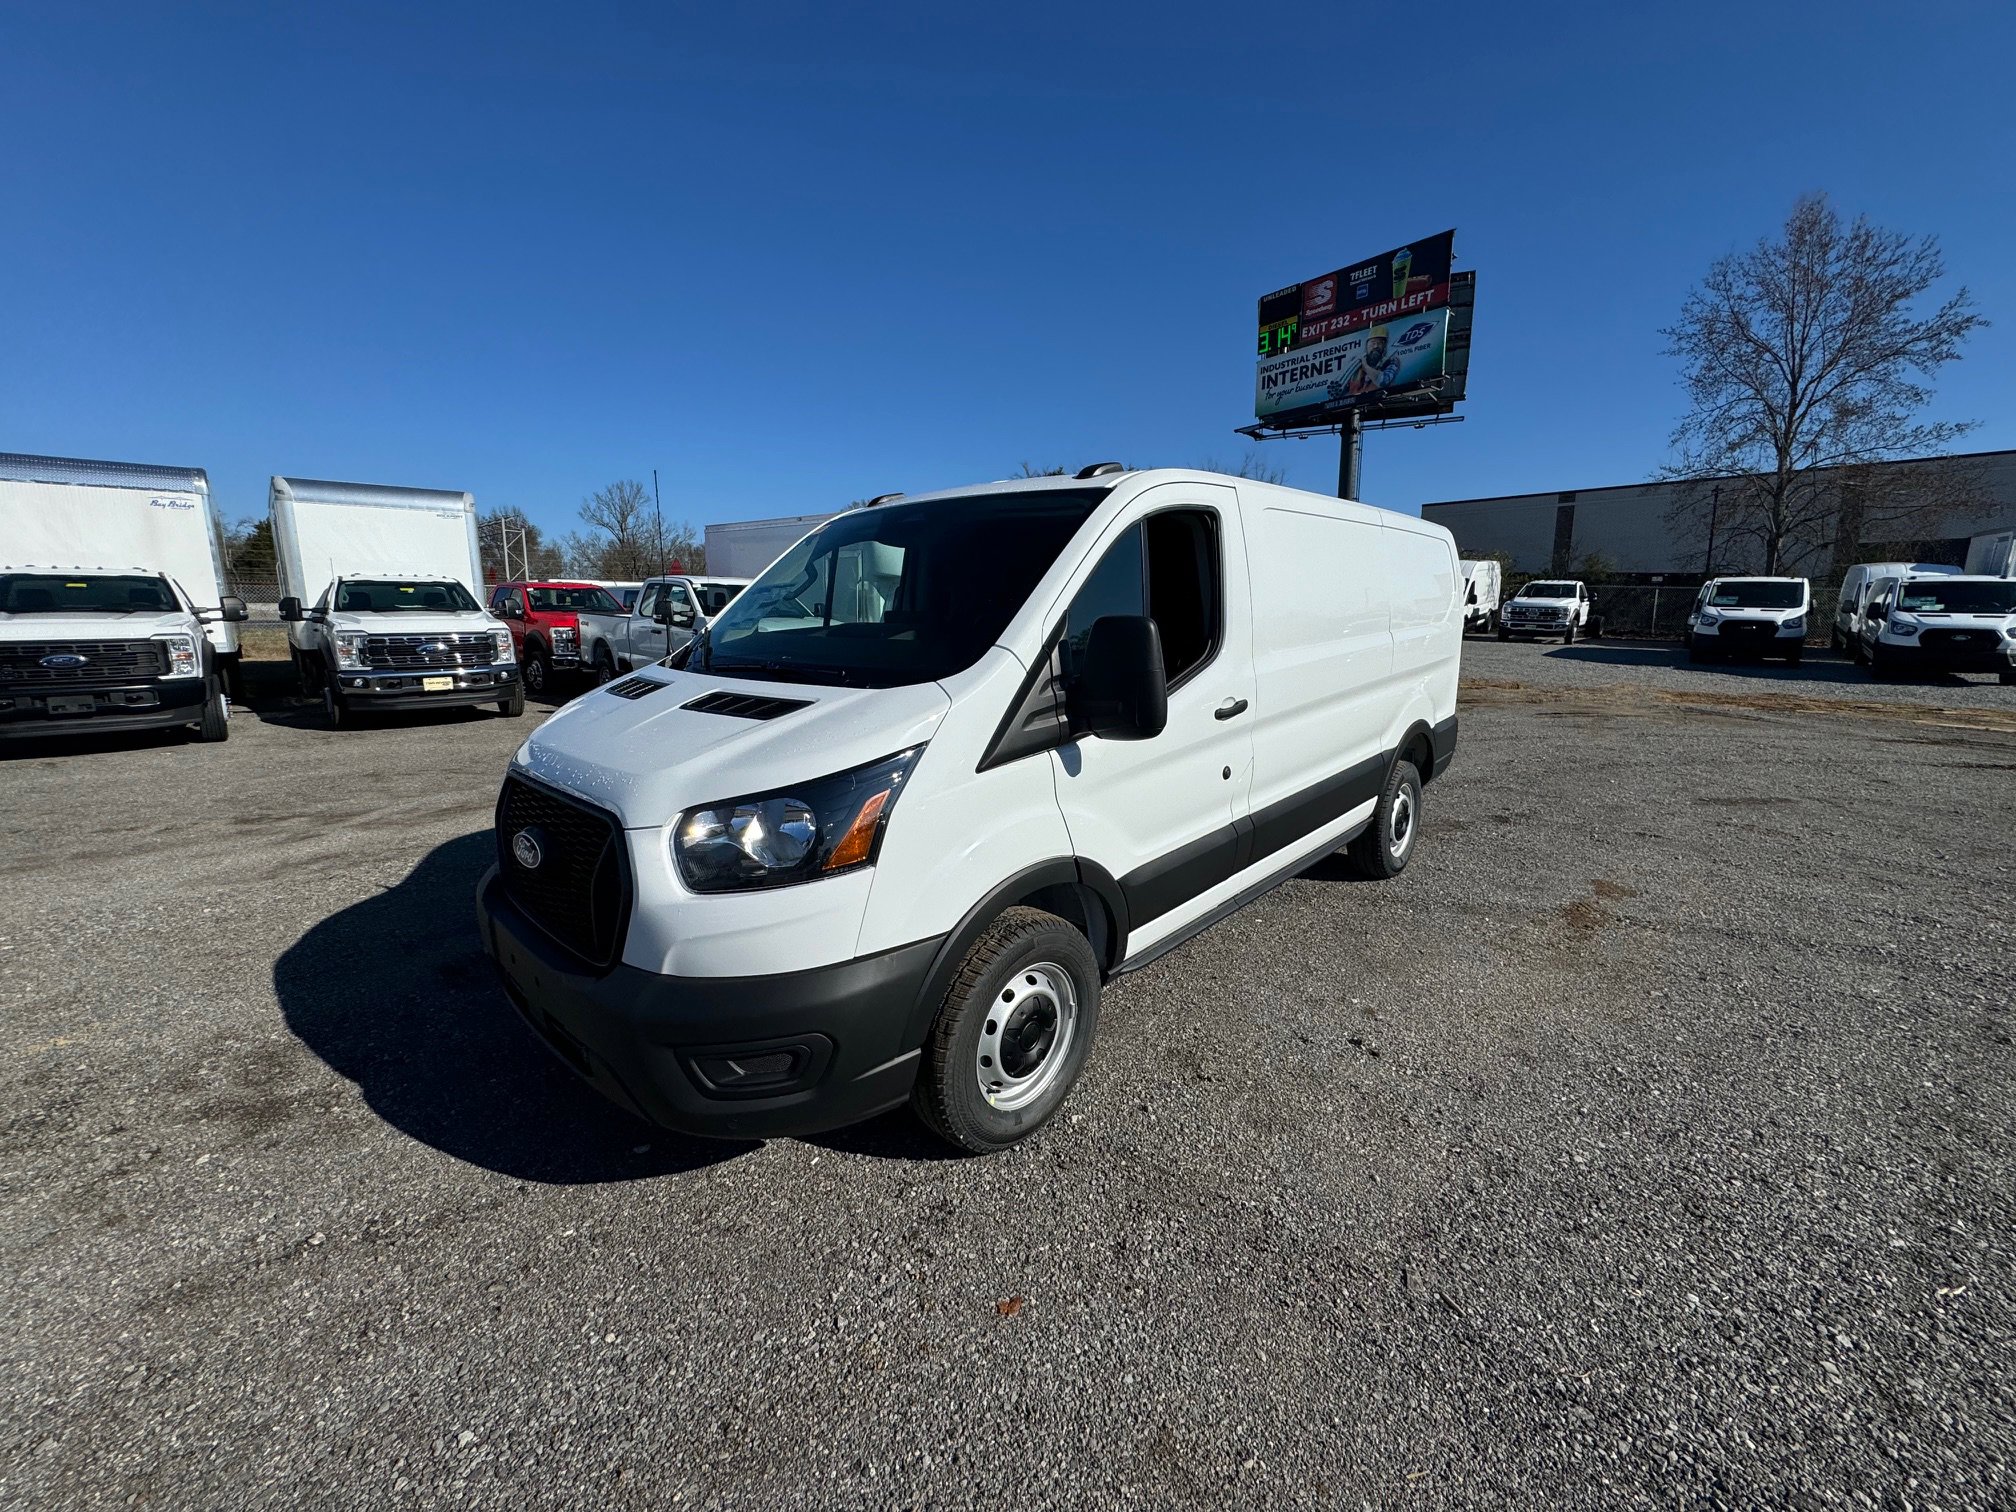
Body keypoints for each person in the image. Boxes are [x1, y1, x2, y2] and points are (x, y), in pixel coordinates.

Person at [1345, 324, 1401, 396]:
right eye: (1373, 343)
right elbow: (1342, 393)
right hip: (1356, 405)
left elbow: (1383, 381)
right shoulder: (1355, 364)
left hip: (1383, 402)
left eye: (1380, 343)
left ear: (1384, 346)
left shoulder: (1392, 361)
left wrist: (1366, 367)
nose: (1376, 346)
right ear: (1367, 345)